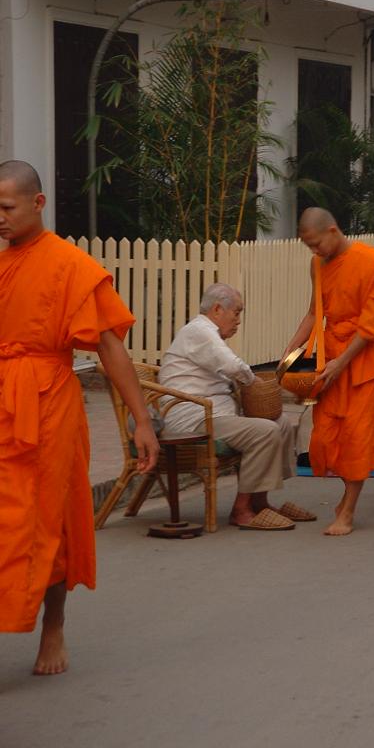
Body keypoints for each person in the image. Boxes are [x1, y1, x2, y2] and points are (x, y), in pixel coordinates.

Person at [0, 160, 159, 675]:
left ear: (37, 203)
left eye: (6, 207)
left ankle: (53, 628)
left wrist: (142, 421)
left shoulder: (71, 267)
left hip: (49, 405)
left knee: (49, 520)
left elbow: (111, 350)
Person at [158, 283, 311, 531]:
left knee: (280, 423)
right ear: (218, 309)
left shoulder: (208, 334)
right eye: (237, 312)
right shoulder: (199, 331)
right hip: (194, 418)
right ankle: (241, 510)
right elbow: (233, 366)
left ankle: (260, 501)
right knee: (265, 431)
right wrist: (255, 382)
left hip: (214, 414)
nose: (238, 320)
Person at [283, 208, 374, 536]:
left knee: (357, 438)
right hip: (331, 357)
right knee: (325, 437)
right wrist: (289, 354)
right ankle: (345, 498)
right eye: (309, 247)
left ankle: (347, 510)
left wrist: (341, 362)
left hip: (364, 359)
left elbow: (372, 325)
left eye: (316, 244)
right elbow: (313, 312)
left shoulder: (371, 262)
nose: (314, 251)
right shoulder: (318, 264)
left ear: (333, 230)